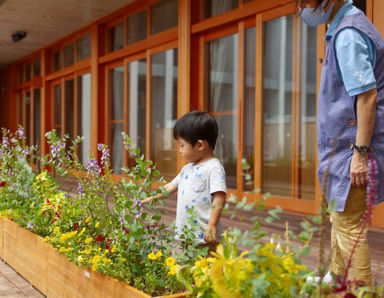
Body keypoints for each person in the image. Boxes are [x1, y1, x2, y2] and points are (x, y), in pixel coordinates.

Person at [297, 0, 384, 287]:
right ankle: (337, 278)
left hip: (353, 147)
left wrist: (360, 154)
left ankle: (360, 291)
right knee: (339, 215)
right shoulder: (343, 27)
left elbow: (367, 96)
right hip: (343, 146)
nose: (303, 7)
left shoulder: (348, 34)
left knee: (348, 223)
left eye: (306, 1)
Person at [142, 111, 227, 251]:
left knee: (207, 268)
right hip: (187, 234)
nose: (180, 150)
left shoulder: (214, 168)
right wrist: (151, 197)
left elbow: (220, 197)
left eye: (182, 145)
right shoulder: (187, 169)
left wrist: (212, 225)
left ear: (200, 145)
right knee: (186, 267)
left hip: (205, 236)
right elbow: (170, 187)